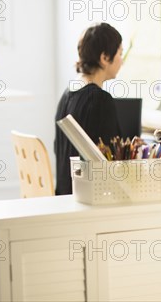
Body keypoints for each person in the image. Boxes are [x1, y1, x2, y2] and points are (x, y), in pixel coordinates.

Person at [54, 22, 123, 195]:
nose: (122, 60)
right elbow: (115, 162)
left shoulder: (67, 94)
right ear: (105, 57)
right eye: (120, 53)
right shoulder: (100, 100)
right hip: (90, 202)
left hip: (66, 197)